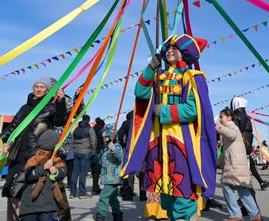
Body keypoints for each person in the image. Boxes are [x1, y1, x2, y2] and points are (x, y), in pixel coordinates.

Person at [121, 34, 216, 220]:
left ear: (185, 52)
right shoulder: (159, 77)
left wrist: (163, 111)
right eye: (169, 48)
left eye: (176, 48)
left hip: (182, 142)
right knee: (166, 196)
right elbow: (140, 92)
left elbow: (193, 110)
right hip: (158, 144)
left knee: (183, 191)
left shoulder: (193, 77)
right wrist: (150, 69)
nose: (170, 50)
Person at [1, 77, 68, 221]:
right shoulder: (24, 108)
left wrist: (61, 101)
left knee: (35, 188)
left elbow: (60, 120)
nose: (38, 89)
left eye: (42, 87)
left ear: (48, 90)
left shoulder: (52, 106)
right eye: (36, 86)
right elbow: (13, 126)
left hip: (39, 154)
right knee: (14, 188)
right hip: (19, 153)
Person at [216, 108, 262, 221]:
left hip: (234, 165)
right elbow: (226, 150)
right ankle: (255, 214)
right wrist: (219, 162)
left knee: (227, 187)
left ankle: (235, 215)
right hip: (235, 164)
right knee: (242, 189)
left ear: (229, 117)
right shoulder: (231, 128)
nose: (220, 119)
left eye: (221, 117)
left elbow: (231, 135)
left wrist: (219, 128)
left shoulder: (231, 126)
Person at [20, 129, 66, 221]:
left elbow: (64, 171)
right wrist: (44, 167)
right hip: (30, 205)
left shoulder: (56, 158)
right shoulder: (34, 156)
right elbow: (28, 175)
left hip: (49, 206)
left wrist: (56, 171)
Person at [231, 97, 269, 190]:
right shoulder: (245, 116)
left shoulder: (236, 116)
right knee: (250, 166)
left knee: (243, 168)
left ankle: (247, 190)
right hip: (247, 144)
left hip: (241, 145)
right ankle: (258, 184)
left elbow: (236, 132)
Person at [95, 124, 124, 221]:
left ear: (111, 136)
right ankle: (118, 216)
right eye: (103, 137)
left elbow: (119, 157)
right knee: (113, 199)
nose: (104, 138)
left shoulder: (116, 146)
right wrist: (93, 157)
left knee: (103, 197)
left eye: (106, 136)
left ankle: (100, 216)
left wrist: (114, 150)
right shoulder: (105, 149)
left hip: (113, 178)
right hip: (107, 177)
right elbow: (101, 161)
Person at [71, 115, 96, 198]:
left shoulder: (76, 130)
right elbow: (93, 140)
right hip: (86, 152)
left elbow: (72, 141)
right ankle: (82, 192)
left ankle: (72, 193)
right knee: (83, 173)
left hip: (76, 152)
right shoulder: (90, 129)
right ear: (88, 120)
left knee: (75, 172)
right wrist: (93, 150)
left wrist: (74, 148)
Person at [91, 117, 105, 195]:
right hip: (99, 151)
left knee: (94, 171)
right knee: (97, 171)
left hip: (91, 151)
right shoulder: (102, 130)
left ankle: (95, 187)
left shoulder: (92, 129)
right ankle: (95, 188)